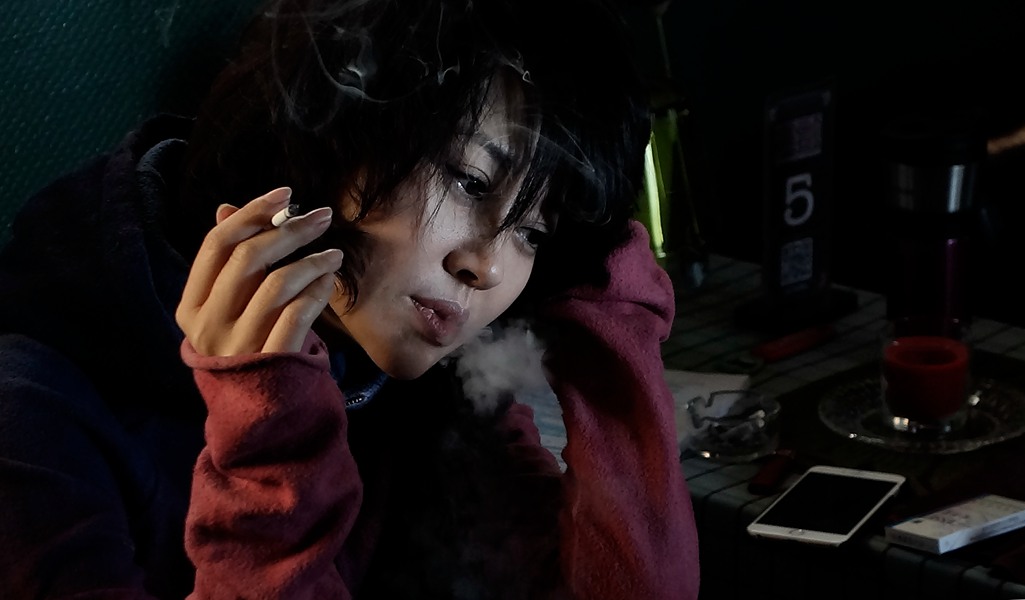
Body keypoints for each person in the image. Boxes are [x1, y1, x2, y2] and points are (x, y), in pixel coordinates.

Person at [0, 0, 700, 597]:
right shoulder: (32, 410)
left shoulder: (427, 377)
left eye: (533, 233)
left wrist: (617, 344)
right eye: (470, 182)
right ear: (332, 129)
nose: (487, 266)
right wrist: (270, 446)